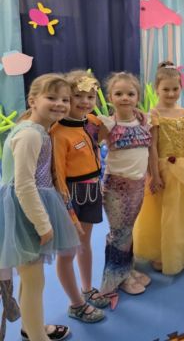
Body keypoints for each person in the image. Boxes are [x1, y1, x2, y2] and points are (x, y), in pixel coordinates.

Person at [0, 74, 81, 341]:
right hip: (25, 213)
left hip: (30, 207)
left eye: (65, 99)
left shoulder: (37, 130)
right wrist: (42, 224)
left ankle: (30, 328)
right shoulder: (30, 135)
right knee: (34, 281)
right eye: (51, 97)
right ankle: (37, 336)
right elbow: (23, 185)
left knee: (31, 279)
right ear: (32, 100)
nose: (60, 104)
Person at [133, 61, 184, 275]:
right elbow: (152, 147)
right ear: (157, 89)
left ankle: (182, 251)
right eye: (166, 89)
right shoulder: (154, 114)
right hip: (164, 170)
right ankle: (164, 253)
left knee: (182, 211)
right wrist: (154, 175)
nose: (171, 93)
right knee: (166, 213)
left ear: (181, 88)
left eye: (175, 89)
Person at [50, 70, 107, 323]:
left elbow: (110, 129)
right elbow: (58, 175)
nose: (85, 101)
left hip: (92, 190)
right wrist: (67, 208)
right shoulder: (58, 132)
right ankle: (75, 304)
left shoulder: (92, 121)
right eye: (78, 96)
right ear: (67, 97)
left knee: (85, 244)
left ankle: (87, 288)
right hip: (71, 195)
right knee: (68, 252)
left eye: (90, 96)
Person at [98, 72, 152, 297]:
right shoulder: (108, 124)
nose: (125, 98)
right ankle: (115, 279)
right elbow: (89, 145)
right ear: (110, 97)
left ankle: (126, 270)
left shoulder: (143, 120)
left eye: (130, 93)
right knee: (119, 233)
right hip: (116, 187)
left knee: (127, 231)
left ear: (137, 96)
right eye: (118, 93)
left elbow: (149, 150)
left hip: (138, 185)